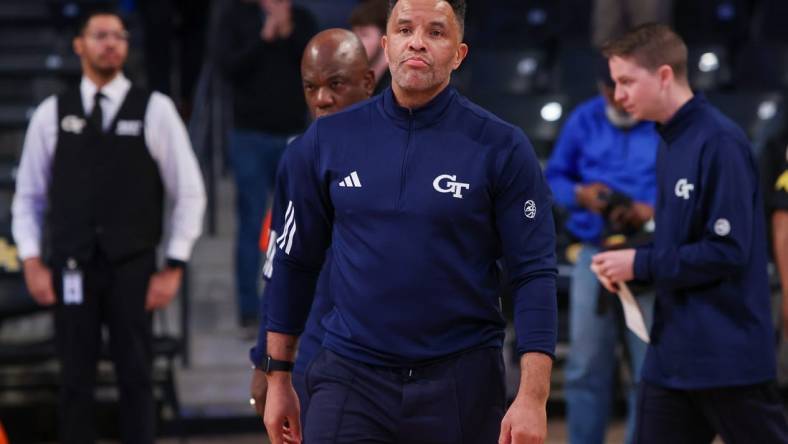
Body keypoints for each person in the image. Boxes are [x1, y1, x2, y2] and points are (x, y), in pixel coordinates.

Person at [262, 1, 557, 443]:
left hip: (461, 379)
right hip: (350, 376)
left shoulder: (502, 148)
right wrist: (277, 377)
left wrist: (534, 397)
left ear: (458, 53)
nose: (417, 41)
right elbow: (291, 263)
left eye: (436, 32)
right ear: (386, 45)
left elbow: (534, 273)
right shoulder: (325, 142)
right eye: (404, 29)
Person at [12, 9, 205, 444]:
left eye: (118, 36)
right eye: (100, 35)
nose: (111, 43)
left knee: (136, 376)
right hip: (72, 265)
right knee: (74, 379)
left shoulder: (155, 110)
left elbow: (190, 192)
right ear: (79, 44)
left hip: (132, 265)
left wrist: (173, 264)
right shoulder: (51, 113)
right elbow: (28, 195)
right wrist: (30, 260)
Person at [592, 23, 788, 443]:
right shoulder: (668, 141)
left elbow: (727, 251)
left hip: (726, 354)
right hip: (673, 354)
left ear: (664, 75)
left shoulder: (720, 142)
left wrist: (639, 262)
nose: (618, 94)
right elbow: (679, 242)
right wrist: (629, 261)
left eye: (627, 81)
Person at [249, 27, 375, 424]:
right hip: (315, 355)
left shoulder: (401, 150)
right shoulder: (298, 158)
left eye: (336, 84)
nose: (322, 99)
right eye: (311, 87)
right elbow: (279, 265)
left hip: (391, 358)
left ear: (368, 82)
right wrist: (264, 361)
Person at [545, 64, 659, 444]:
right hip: (593, 253)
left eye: (626, 87)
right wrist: (579, 195)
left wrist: (650, 209)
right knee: (585, 367)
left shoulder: (659, 119)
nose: (619, 99)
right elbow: (554, 176)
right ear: (601, 87)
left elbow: (684, 184)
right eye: (612, 90)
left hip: (648, 252)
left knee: (649, 371)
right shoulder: (585, 118)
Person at [217, 0, 317, 330]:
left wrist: (287, 33)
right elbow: (227, 68)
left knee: (300, 225)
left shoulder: (302, 19)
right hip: (249, 135)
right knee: (250, 221)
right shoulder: (235, 17)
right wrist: (264, 37)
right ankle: (249, 309)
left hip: (294, 135)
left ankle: (295, 307)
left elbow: (314, 72)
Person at [349, 0, 391, 94]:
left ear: (385, 38)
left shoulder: (396, 87)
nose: (355, 41)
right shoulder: (357, 82)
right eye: (354, 34)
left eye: (364, 35)